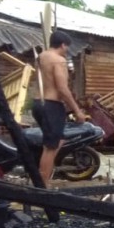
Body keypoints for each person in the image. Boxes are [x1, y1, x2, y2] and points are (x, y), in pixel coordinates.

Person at [34, 30, 87, 185]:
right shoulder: (58, 60)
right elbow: (62, 89)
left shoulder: (41, 57)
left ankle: (42, 179)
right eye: (67, 47)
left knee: (55, 142)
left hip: (38, 103)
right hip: (52, 105)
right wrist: (77, 111)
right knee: (51, 147)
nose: (67, 50)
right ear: (63, 45)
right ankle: (42, 185)